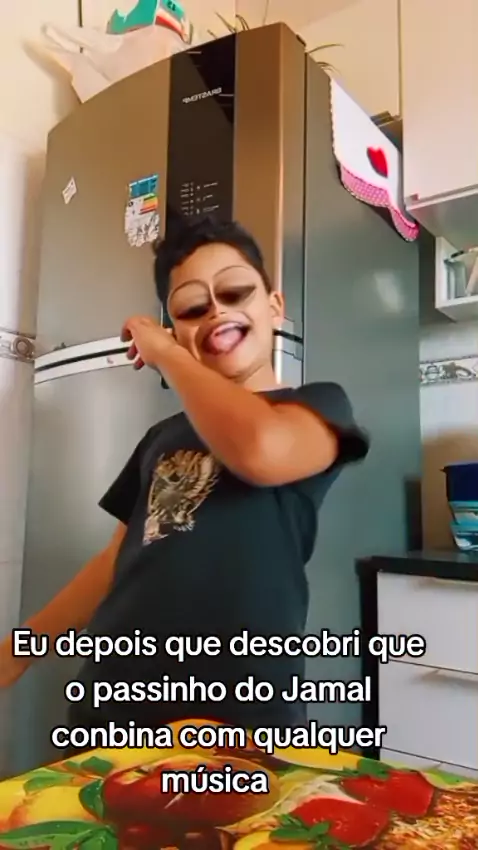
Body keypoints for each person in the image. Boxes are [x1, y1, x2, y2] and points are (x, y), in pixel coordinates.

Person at [0, 217, 368, 745]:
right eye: (193, 307)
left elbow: (260, 451)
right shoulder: (162, 435)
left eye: (236, 291)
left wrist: (167, 354)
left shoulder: (316, 405)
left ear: (275, 306)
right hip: (114, 698)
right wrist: (16, 653)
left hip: (241, 709)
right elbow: (116, 559)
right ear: (178, 329)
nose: (217, 310)